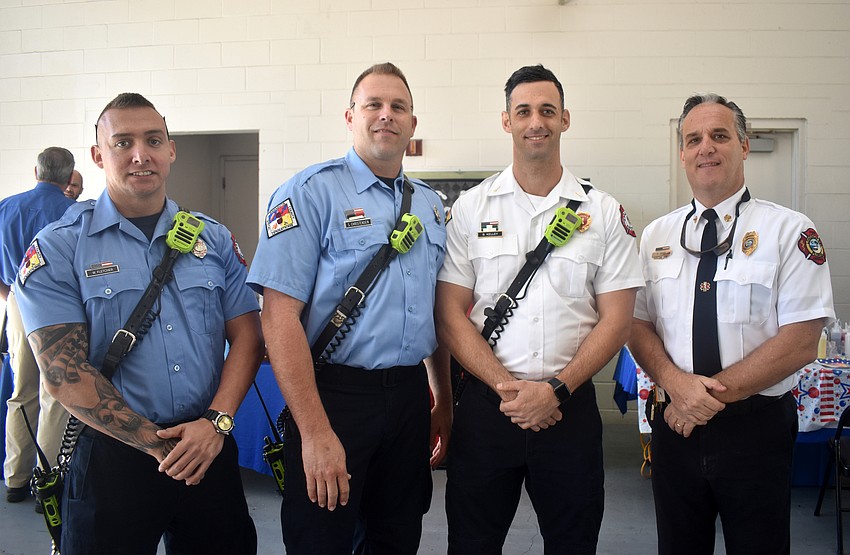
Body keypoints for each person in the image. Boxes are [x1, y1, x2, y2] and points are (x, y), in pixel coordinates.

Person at [14, 93, 263, 554]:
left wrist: (216, 423)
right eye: (122, 142)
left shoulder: (214, 239)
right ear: (97, 155)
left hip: (208, 443)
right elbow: (62, 372)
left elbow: (248, 337)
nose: (140, 154)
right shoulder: (59, 248)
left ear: (171, 149)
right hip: (113, 455)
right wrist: (156, 445)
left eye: (152, 140)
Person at [435, 64, 644, 553]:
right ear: (506, 121)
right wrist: (511, 391)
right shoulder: (471, 207)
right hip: (488, 410)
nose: (536, 122)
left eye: (547, 111)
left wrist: (554, 390)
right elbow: (449, 313)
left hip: (569, 412)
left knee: (573, 543)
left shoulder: (604, 212)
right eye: (523, 111)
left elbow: (617, 320)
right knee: (471, 543)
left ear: (565, 119)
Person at [247, 62, 451, 554]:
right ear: (349, 116)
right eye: (373, 105)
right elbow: (278, 317)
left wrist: (441, 400)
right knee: (323, 535)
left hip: (407, 397)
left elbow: (435, 313)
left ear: (412, 124)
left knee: (397, 535)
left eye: (398, 106)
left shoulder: (430, 205)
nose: (386, 115)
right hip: (332, 396)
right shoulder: (309, 193)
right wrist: (315, 432)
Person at [629, 93, 835, 554]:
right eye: (694, 139)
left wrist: (699, 398)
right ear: (682, 154)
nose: (707, 147)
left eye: (720, 136)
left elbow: (801, 341)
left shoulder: (790, 231)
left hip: (754, 431)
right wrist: (675, 387)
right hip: (674, 429)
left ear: (743, 146)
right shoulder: (656, 236)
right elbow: (636, 326)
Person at [1, 147, 76, 504]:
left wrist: (13, 298)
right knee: (56, 394)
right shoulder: (74, 212)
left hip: (17, 299)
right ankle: (47, 479)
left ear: (36, 171)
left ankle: (15, 479)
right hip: (62, 307)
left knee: (21, 391)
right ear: (68, 177)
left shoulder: (6, 207)